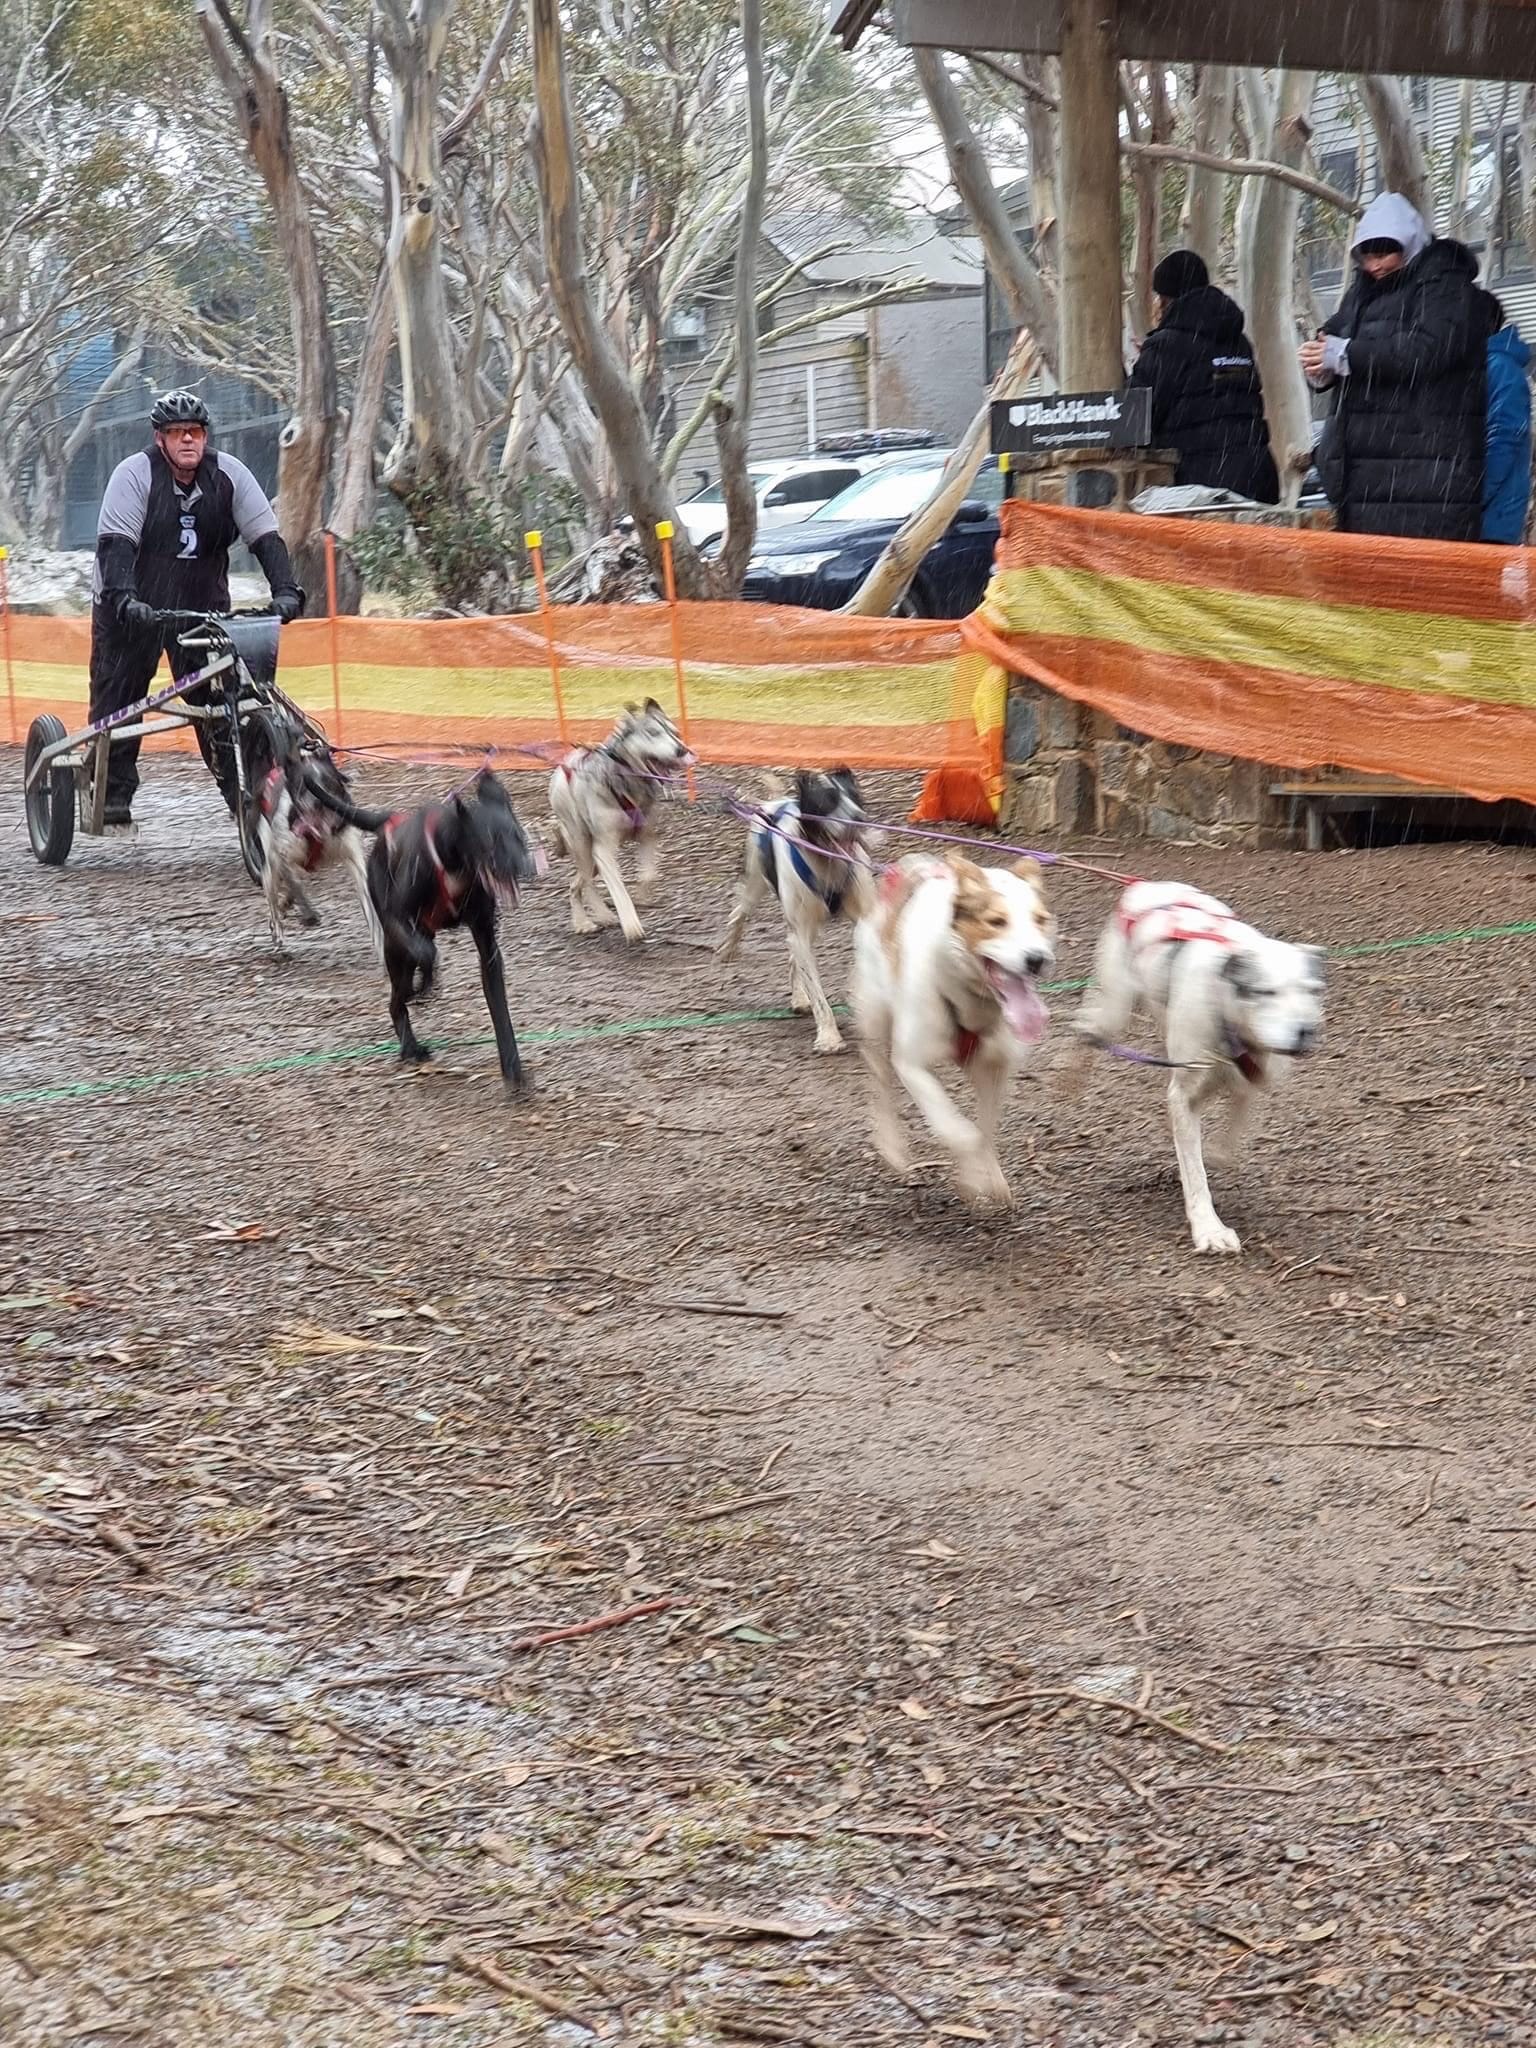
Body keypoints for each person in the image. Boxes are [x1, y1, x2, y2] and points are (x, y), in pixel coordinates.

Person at [91, 390, 305, 825]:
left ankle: (245, 795)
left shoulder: (230, 476)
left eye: (195, 431)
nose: (187, 439)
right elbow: (115, 550)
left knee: (224, 700)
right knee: (122, 695)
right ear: (160, 438)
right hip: (133, 600)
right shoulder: (134, 476)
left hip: (201, 606)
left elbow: (266, 539)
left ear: (206, 436)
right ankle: (112, 791)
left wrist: (286, 590)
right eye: (176, 432)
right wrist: (125, 600)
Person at [1300, 192, 1492, 542]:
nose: (1375, 266)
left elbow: (1424, 352)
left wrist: (1347, 355)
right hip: (1363, 482)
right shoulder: (1359, 294)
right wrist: (1320, 366)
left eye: (1385, 253)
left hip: (1426, 480)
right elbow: (1337, 335)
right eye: (1367, 256)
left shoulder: (1446, 287)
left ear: (1411, 244)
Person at [1128, 250, 1280, 503]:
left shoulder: (1167, 346)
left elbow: (1136, 418)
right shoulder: (1238, 341)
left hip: (1201, 486)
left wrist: (1144, 364)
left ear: (1166, 299)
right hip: (1258, 475)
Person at [1479, 290, 1532, 544]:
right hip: (1491, 514)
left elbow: (1504, 437)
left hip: (1493, 519)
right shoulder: (1492, 364)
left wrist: (1474, 494)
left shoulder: (1500, 366)